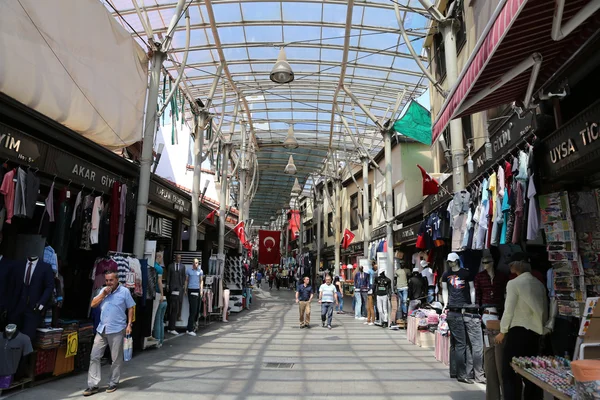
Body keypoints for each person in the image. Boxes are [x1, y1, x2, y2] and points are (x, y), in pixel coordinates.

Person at [495, 253, 548, 400]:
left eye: (512, 263)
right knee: (531, 374)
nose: (510, 266)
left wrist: (503, 331)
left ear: (520, 264)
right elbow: (544, 309)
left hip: (517, 333)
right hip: (535, 334)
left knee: (509, 373)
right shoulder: (539, 284)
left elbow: (509, 310)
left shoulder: (514, 283)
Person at [84, 271, 135, 396]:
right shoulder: (103, 291)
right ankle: (93, 385)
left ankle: (113, 382)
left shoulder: (125, 292)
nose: (108, 283)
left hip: (117, 329)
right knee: (94, 356)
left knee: (115, 358)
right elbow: (93, 304)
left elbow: (131, 307)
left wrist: (129, 325)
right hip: (102, 329)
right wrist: (103, 295)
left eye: (111, 280)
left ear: (117, 280)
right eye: (107, 280)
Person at [166, 254, 186, 334]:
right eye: (177, 258)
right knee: (172, 305)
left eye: (180, 258)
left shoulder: (182, 266)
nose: (178, 259)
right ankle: (171, 325)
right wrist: (167, 284)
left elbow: (183, 276)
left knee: (178, 304)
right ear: (175, 258)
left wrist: (183, 285)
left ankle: (177, 318)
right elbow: (168, 276)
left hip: (179, 286)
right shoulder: (170, 266)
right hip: (172, 286)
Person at [184, 258, 203, 336]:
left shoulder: (200, 271)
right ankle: (190, 328)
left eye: (197, 263)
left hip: (197, 290)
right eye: (195, 263)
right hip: (191, 290)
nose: (196, 264)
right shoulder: (189, 270)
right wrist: (185, 289)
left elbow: (201, 281)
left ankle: (190, 327)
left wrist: (201, 290)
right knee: (193, 310)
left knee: (196, 310)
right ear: (193, 263)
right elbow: (186, 280)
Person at [153, 252, 167, 347]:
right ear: (159, 257)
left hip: (153, 294)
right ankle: (160, 340)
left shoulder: (152, 266)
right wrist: (162, 294)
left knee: (157, 319)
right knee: (160, 319)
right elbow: (159, 282)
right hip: (158, 294)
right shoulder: (159, 269)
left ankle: (157, 339)